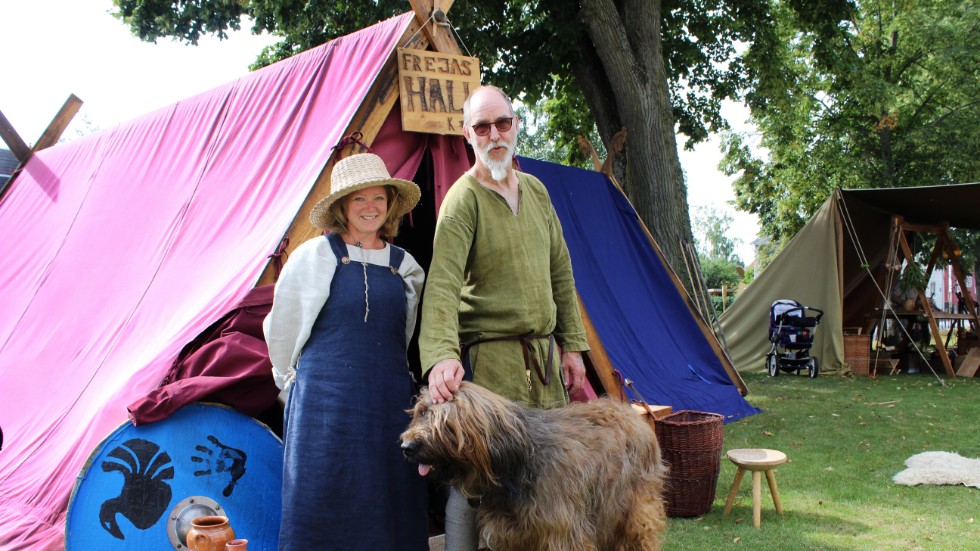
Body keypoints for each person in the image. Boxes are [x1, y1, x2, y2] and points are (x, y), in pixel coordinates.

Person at [418, 85, 591, 550]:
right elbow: (442, 285)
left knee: (545, 474)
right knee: (481, 480)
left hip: (544, 361)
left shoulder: (536, 190)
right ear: (466, 134)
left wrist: (572, 346)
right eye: (482, 126)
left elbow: (561, 269)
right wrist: (440, 357)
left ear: (516, 125)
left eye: (502, 123)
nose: (494, 134)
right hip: (493, 364)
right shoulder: (462, 199)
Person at [264, 153, 428, 550]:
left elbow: (403, 335)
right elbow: (282, 331)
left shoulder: (405, 266)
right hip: (325, 407)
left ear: (390, 203)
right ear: (342, 206)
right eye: (359, 199)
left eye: (378, 198)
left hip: (387, 404)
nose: (370, 207)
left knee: (387, 506)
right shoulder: (315, 257)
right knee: (323, 502)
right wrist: (292, 387)